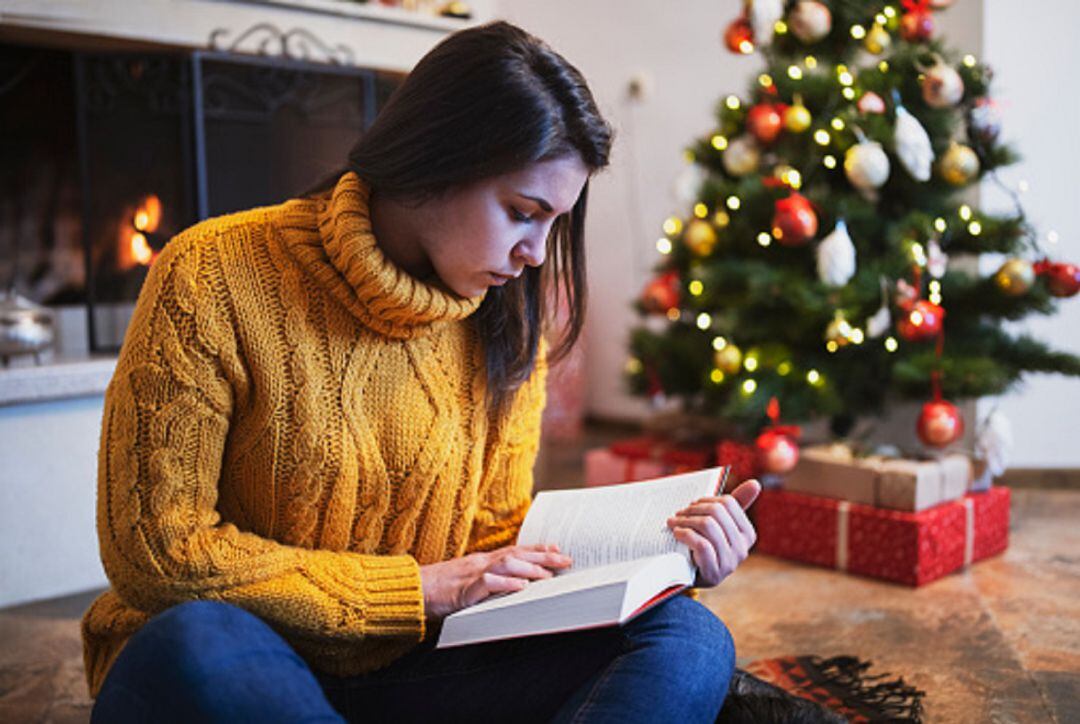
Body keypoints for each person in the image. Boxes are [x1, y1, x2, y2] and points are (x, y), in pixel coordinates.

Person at [82, 19, 761, 723]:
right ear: (437, 161)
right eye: (524, 213)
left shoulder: (507, 324)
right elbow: (158, 554)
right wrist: (418, 591)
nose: (537, 253)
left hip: (414, 671)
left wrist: (665, 563)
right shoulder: (212, 275)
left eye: (555, 223)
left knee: (689, 638)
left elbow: (491, 547)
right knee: (196, 639)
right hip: (247, 656)